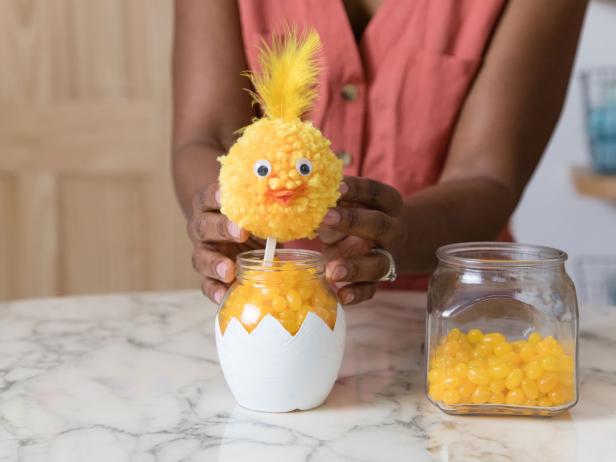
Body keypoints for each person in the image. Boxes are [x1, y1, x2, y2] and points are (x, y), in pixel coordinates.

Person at [172, 0, 588, 305]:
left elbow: (489, 177)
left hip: (456, 311)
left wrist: (388, 233)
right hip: (267, 301)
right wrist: (223, 215)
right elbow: (204, 136)